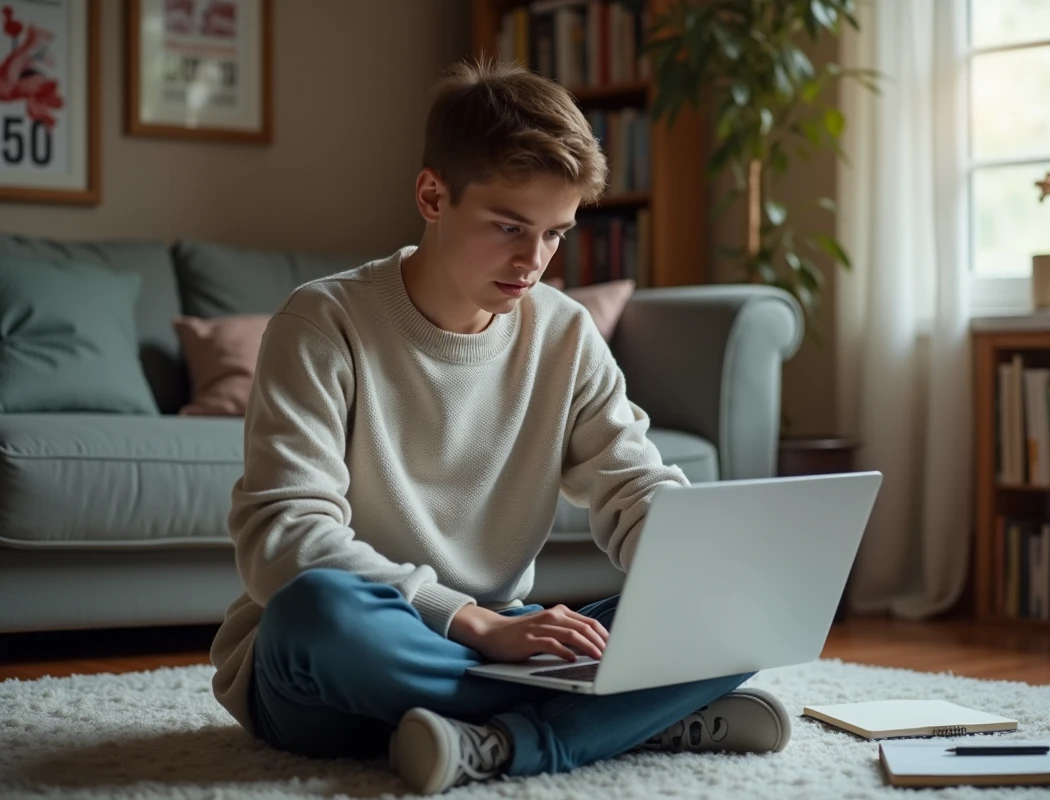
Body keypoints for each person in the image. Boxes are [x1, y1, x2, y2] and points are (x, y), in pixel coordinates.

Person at [208, 59, 791, 796]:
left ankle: (499, 741)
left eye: (556, 233)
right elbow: (284, 540)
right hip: (346, 665)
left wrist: (700, 572)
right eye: (510, 227)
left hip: (504, 645)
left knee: (737, 605)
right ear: (432, 195)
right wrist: (474, 623)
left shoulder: (565, 333)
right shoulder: (321, 323)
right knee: (315, 612)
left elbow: (636, 487)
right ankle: (614, 720)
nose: (535, 261)